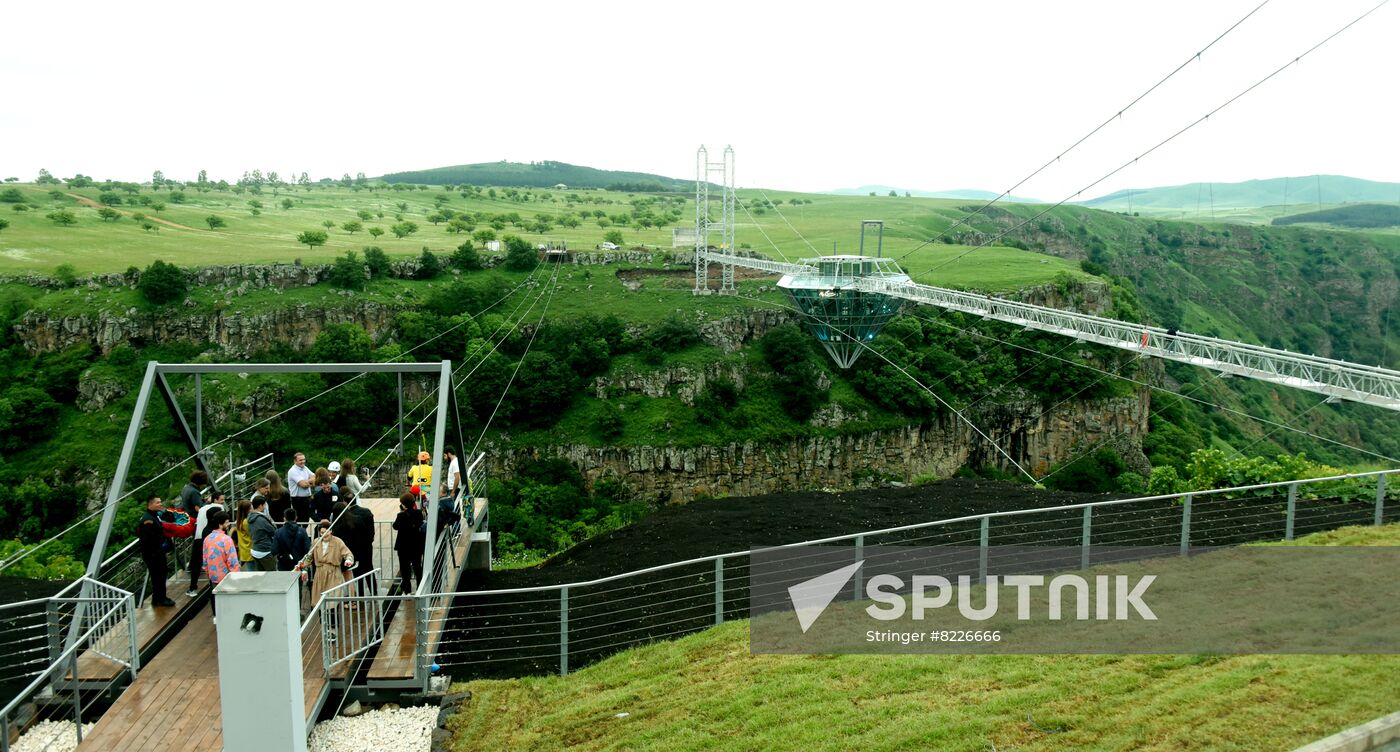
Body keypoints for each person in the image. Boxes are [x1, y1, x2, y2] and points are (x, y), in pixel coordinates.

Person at [305, 520, 354, 610]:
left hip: (333, 575)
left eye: (326, 532)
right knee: (319, 602)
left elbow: (348, 554)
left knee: (332, 603)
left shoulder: (338, 542)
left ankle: (333, 623)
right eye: (322, 532)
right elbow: (309, 557)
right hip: (319, 575)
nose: (324, 534)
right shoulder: (316, 542)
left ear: (331, 531)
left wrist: (348, 560)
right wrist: (302, 566)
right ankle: (323, 623)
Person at [201, 510, 239, 624]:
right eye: (227, 522)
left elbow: (205, 559)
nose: (228, 525)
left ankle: (217, 618)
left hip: (213, 576)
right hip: (227, 576)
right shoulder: (226, 539)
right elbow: (232, 561)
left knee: (216, 599)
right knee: (229, 602)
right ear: (220, 524)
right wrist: (236, 575)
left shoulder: (207, 538)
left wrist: (208, 573)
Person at [139, 495, 175, 607]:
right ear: (151, 504)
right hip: (153, 553)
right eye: (158, 502)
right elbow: (150, 539)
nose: (160, 504)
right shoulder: (148, 520)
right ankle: (160, 599)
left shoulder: (154, 516)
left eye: (160, 502)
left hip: (156, 551)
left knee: (161, 574)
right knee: (158, 575)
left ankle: (158, 597)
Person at [189, 490, 225, 597]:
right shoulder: (219, 509)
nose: (223, 502)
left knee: (196, 563)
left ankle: (192, 588)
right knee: (214, 562)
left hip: (199, 536)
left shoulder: (203, 508)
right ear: (215, 500)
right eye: (221, 500)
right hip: (212, 538)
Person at [392, 493, 425, 593]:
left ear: (404, 505)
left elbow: (395, 526)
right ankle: (420, 588)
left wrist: (402, 512)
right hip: (416, 544)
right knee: (417, 567)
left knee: (405, 569)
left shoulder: (401, 515)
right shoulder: (419, 513)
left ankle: (407, 590)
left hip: (403, 546)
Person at [347, 492, 376, 584]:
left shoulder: (348, 515)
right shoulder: (367, 511)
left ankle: (360, 592)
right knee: (369, 567)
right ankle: (374, 590)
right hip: (367, 544)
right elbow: (372, 528)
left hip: (355, 546)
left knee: (357, 569)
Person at [247, 494, 278, 572]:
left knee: (261, 575)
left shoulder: (250, 518)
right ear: (260, 506)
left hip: (255, 550)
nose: (265, 507)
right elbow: (273, 531)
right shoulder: (261, 519)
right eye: (264, 505)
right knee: (272, 574)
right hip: (264, 550)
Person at [233, 499, 253, 572]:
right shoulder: (246, 522)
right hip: (250, 549)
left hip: (244, 550)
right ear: (246, 510)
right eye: (250, 508)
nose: (252, 510)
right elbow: (252, 534)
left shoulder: (239, 521)